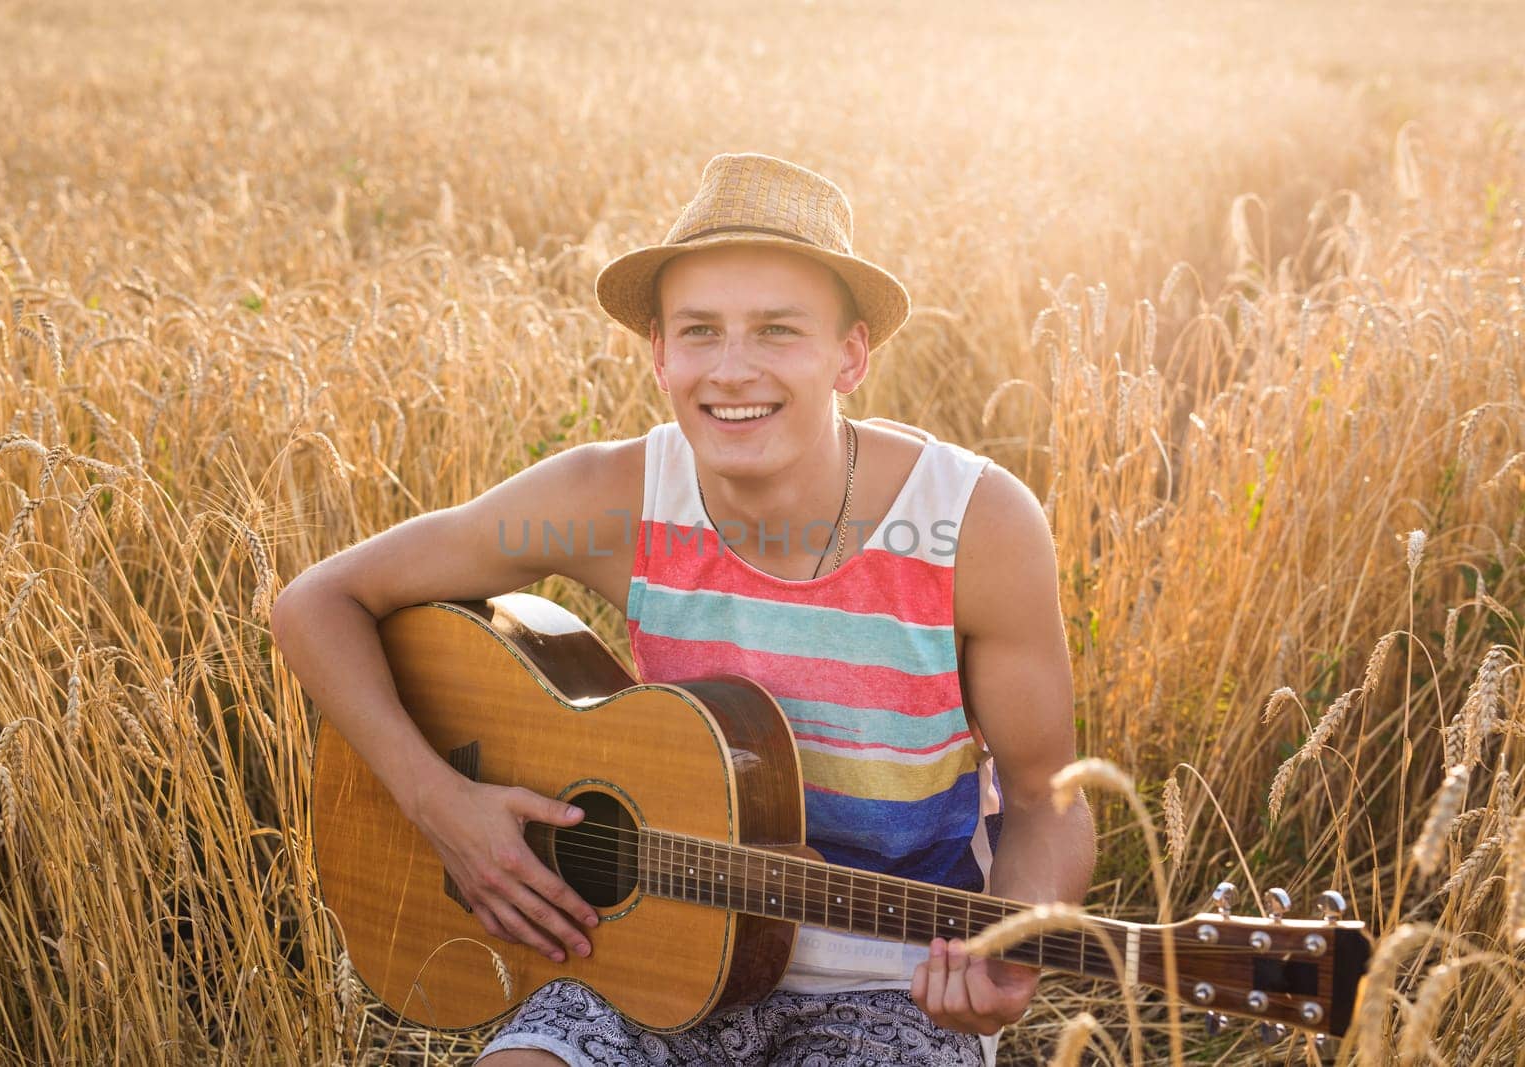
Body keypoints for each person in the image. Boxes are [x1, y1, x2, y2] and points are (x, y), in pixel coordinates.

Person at [271, 152, 1095, 1066]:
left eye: (778, 330)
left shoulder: (973, 525)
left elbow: (1042, 798)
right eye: (700, 331)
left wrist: (1013, 944)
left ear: (849, 354)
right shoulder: (613, 498)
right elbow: (320, 600)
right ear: (659, 352)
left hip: (889, 984)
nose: (732, 370)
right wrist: (440, 802)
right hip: (634, 955)